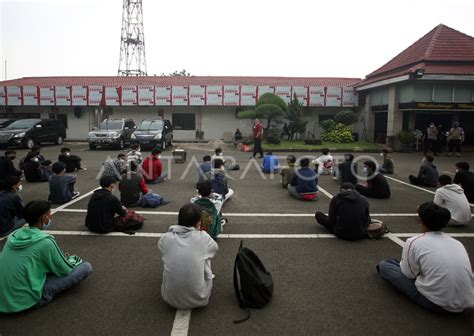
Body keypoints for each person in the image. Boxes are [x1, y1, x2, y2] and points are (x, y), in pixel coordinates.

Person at [377, 202, 474, 313]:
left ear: (420, 221)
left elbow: (408, 274)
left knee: (385, 266)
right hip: (465, 303)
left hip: (436, 303)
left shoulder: (414, 241)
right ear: (445, 224)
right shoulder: (457, 243)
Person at [0, 200, 92, 313]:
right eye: (49, 213)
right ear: (44, 218)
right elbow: (64, 269)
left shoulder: (14, 235)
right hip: (26, 301)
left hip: (3, 298)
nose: (50, 216)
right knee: (85, 267)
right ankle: (41, 295)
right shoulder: (45, 242)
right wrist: (69, 259)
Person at [158, 203, 218, 310]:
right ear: (198, 222)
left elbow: (162, 250)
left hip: (170, 299)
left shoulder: (165, 238)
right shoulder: (203, 237)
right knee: (206, 256)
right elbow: (214, 249)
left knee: (171, 257)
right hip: (200, 299)